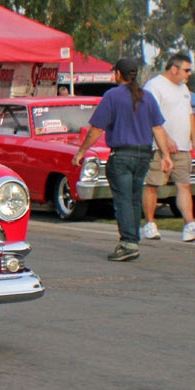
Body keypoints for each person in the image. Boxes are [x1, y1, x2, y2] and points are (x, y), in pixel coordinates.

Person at [72, 57, 172, 262]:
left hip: (122, 155)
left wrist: (81, 151)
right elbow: (157, 128)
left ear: (118, 74)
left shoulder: (112, 96)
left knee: (123, 200)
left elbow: (96, 129)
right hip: (144, 155)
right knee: (134, 199)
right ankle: (133, 239)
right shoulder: (147, 97)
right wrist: (166, 156)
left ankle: (128, 243)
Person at [141, 53, 195, 242]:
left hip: (182, 147)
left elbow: (190, 115)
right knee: (153, 185)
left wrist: (193, 139)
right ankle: (149, 223)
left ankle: (189, 225)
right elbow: (151, 117)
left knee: (184, 185)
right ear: (174, 69)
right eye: (186, 70)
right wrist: (166, 139)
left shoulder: (184, 88)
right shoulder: (154, 87)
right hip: (158, 147)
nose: (189, 74)